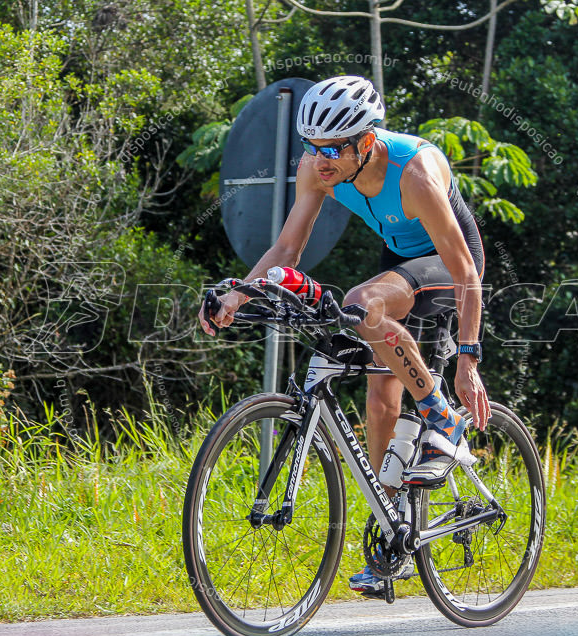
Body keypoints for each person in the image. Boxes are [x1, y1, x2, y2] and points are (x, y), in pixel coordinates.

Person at [198, 75, 491, 597]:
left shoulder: (416, 172)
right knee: (379, 397)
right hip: (400, 262)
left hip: (451, 264)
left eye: (334, 148)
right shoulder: (316, 168)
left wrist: (469, 357)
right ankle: (395, 529)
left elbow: (466, 268)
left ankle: (442, 415)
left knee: (360, 302)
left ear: (368, 141)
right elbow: (287, 248)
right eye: (312, 146)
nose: (321, 158)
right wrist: (239, 295)